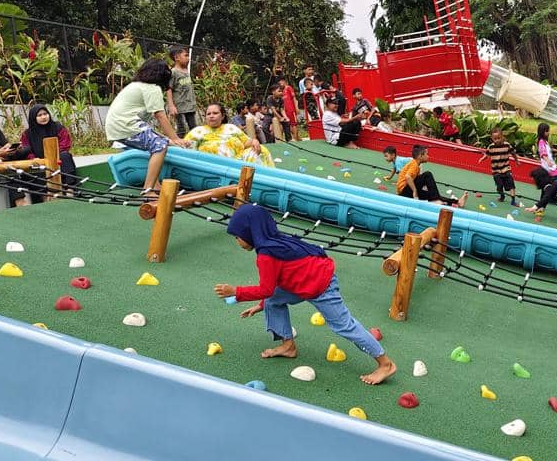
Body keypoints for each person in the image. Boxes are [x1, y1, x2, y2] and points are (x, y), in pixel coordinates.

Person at [214, 203, 396, 384]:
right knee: (272, 301)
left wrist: (235, 292)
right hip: (304, 283)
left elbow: (266, 289)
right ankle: (288, 346)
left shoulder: (267, 255)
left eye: (238, 236)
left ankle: (385, 364)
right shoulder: (274, 242)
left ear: (250, 232)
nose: (237, 241)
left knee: (344, 326)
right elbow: (274, 287)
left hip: (321, 286)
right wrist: (261, 304)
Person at [104, 59, 190, 194]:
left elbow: (146, 130)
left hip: (117, 126)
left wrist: (169, 139)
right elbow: (160, 116)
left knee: (158, 143)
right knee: (160, 147)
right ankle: (148, 189)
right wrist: (175, 138)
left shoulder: (137, 85)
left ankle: (155, 185)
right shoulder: (152, 88)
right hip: (126, 125)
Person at [186, 103, 275, 167]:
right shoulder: (197, 132)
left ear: (223, 116)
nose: (211, 116)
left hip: (238, 162)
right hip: (212, 166)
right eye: (208, 114)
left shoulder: (231, 128)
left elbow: (246, 142)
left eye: (215, 113)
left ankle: (261, 182)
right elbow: (187, 150)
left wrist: (254, 141)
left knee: (260, 150)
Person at [18, 104, 79, 193]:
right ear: (33, 118)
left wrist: (53, 157)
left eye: (45, 114)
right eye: (39, 115)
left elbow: (65, 143)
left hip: (58, 158)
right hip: (39, 163)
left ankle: (70, 189)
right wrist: (35, 159)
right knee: (34, 166)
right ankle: (45, 195)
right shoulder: (27, 134)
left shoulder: (58, 127)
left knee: (65, 156)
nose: (43, 117)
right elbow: (26, 148)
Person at [397, 145, 466, 207]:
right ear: (420, 156)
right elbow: (408, 176)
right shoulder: (414, 164)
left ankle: (457, 202)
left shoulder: (416, 166)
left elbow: (416, 181)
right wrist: (415, 191)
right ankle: (436, 200)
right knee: (427, 174)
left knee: (431, 194)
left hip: (406, 193)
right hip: (404, 192)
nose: (428, 156)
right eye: (426, 154)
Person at [166, 47, 197, 136]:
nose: (188, 58)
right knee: (181, 128)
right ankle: (178, 146)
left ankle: (194, 146)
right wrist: (171, 106)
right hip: (179, 107)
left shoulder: (186, 71)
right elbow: (168, 89)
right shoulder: (173, 72)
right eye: (186, 55)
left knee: (193, 127)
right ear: (177, 58)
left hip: (190, 106)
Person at [484, 127, 519, 206]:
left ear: (502, 137)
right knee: (499, 186)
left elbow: (513, 153)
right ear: (492, 138)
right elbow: (487, 154)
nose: (497, 140)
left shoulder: (507, 145)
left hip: (506, 168)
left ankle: (513, 200)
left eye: (499, 138)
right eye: (495, 139)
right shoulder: (491, 147)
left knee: (511, 184)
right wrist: (482, 158)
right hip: (496, 170)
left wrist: (516, 160)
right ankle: (502, 196)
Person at [278, 76, 298, 140]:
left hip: (291, 110)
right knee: (289, 125)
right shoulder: (281, 91)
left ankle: (296, 139)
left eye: (281, 82)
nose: (280, 84)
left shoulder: (288, 88)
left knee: (294, 124)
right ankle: (296, 138)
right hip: (286, 111)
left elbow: (294, 98)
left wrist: (296, 108)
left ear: (284, 81)